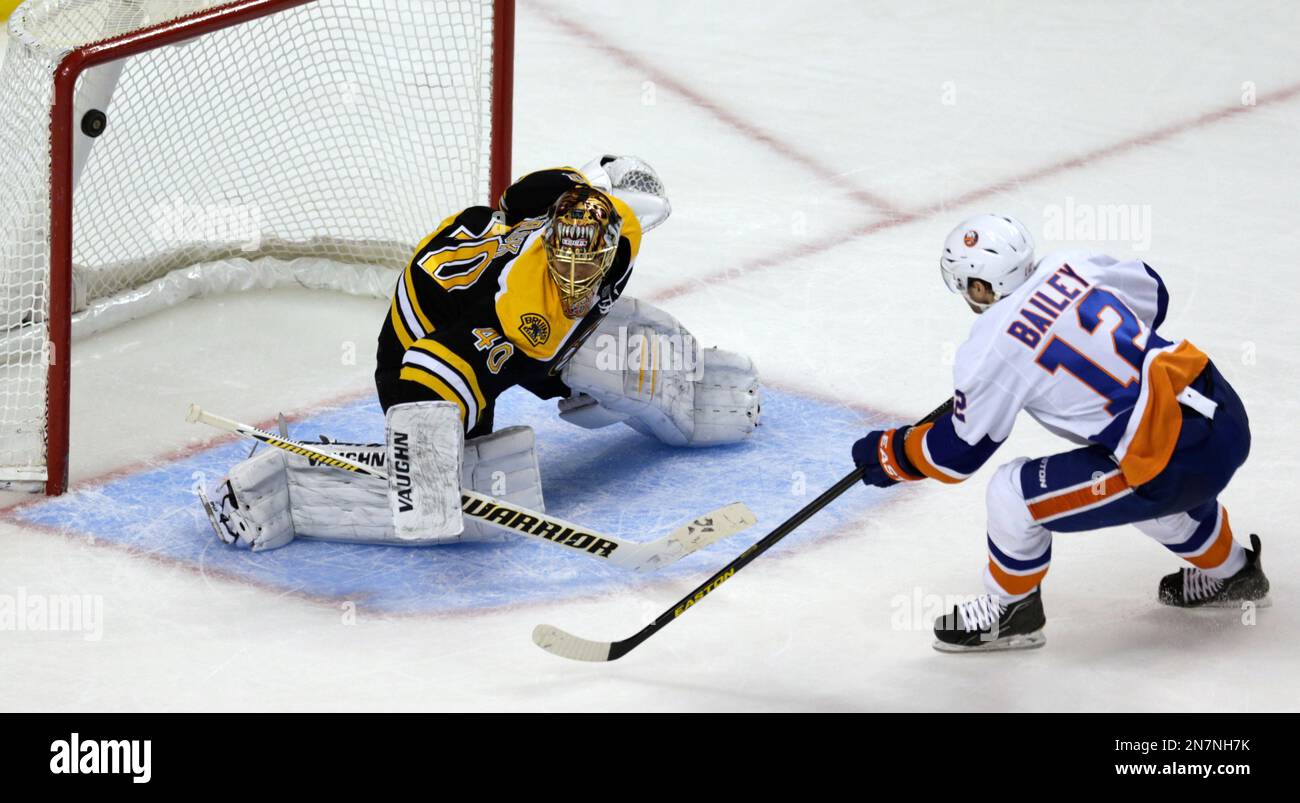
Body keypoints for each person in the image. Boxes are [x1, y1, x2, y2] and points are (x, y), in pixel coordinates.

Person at [205, 156, 761, 551]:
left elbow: (552, 189)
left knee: (610, 349)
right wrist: (427, 462)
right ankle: (295, 483)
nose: (576, 278)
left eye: (588, 263)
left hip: (493, 296)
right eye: (564, 265)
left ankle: (691, 392)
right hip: (427, 338)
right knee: (454, 470)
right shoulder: (512, 314)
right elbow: (426, 370)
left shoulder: (613, 222)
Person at [851, 213, 1268, 652]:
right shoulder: (1071, 262)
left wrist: (892, 453)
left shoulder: (990, 348)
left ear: (980, 287)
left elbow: (958, 454)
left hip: (1171, 461)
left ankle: (1011, 613)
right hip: (1222, 412)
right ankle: (1236, 574)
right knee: (1145, 492)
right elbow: (1155, 293)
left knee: (1012, 495)